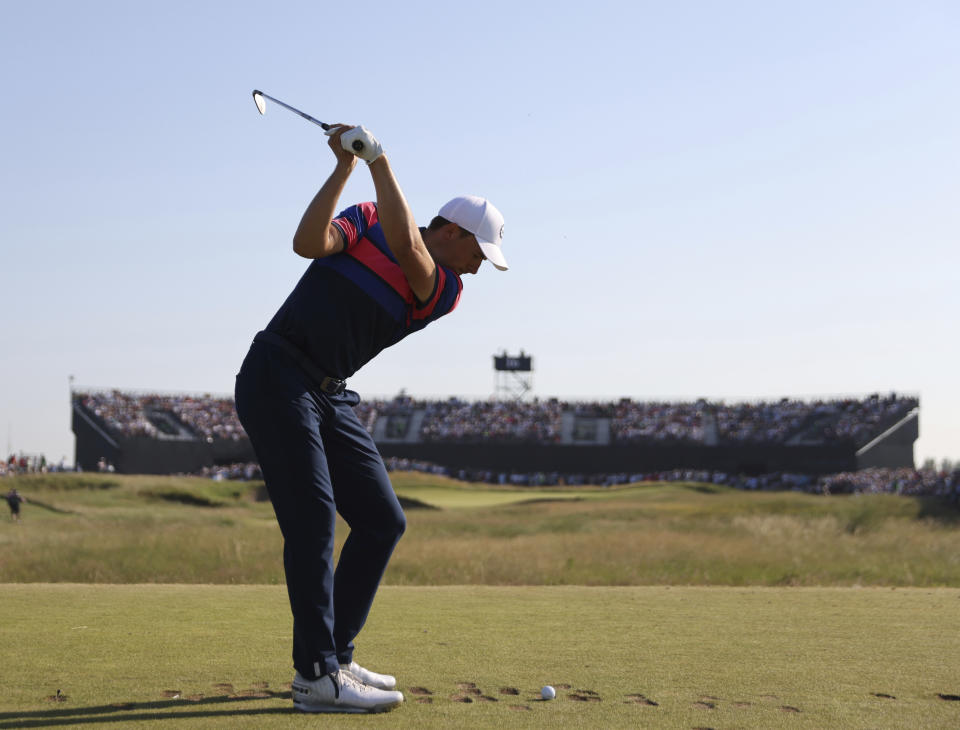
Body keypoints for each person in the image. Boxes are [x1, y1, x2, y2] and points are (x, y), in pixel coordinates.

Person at [234, 124, 508, 714]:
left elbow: (411, 249)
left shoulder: (444, 289)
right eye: (479, 253)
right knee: (312, 523)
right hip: (277, 373)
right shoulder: (363, 215)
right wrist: (345, 168)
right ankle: (316, 677)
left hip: (329, 393)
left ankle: (335, 652)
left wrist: (380, 160)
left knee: (382, 520)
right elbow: (308, 244)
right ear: (455, 232)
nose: (481, 268)